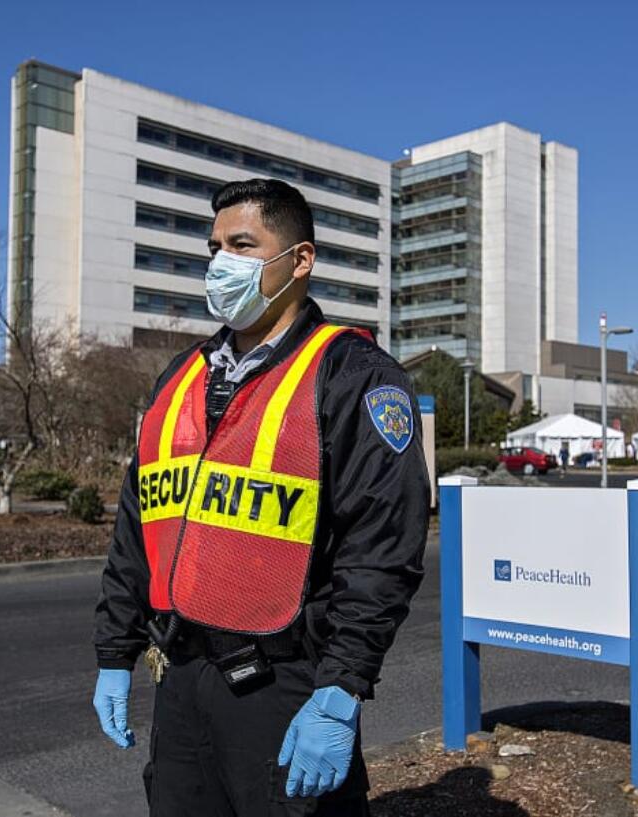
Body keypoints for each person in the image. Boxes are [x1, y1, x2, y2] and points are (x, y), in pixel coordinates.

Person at [92, 178, 431, 816]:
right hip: (183, 682)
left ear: (300, 260)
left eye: (243, 246)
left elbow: (383, 546)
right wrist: (116, 650)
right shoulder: (181, 379)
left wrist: (341, 689)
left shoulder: (352, 375)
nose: (221, 263)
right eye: (215, 246)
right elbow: (138, 526)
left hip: (285, 686)